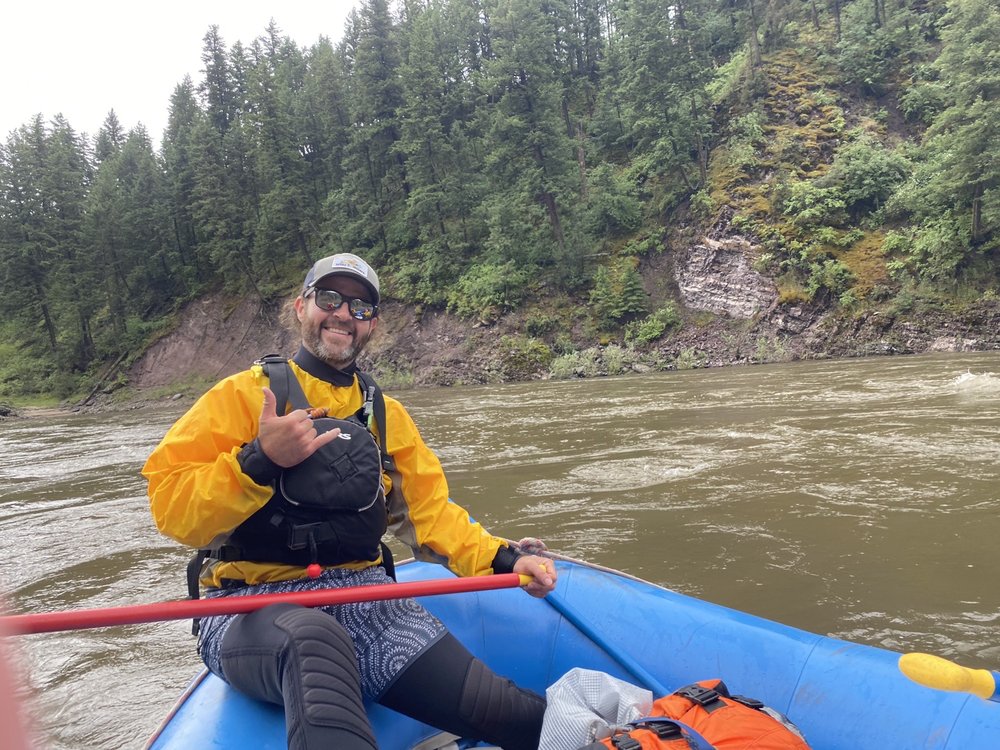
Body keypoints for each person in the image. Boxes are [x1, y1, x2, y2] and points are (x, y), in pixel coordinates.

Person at [143, 252, 557, 750]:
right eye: (330, 298)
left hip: (364, 600)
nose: (343, 314)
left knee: (506, 711)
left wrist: (507, 559)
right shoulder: (242, 396)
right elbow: (171, 507)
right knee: (311, 640)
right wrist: (259, 460)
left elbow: (431, 517)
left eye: (360, 307)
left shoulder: (387, 415)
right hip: (248, 605)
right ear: (301, 306)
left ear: (372, 325)